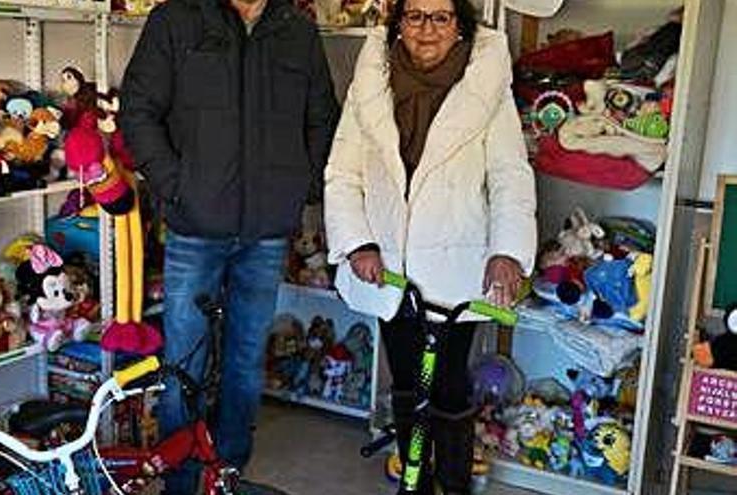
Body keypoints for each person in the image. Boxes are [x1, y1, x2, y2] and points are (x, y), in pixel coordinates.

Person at [119, 0, 338, 492]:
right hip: (194, 226)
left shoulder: (296, 30)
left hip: (266, 230)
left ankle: (229, 470)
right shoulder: (176, 19)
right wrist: (175, 184)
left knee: (243, 360)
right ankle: (181, 479)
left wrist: (299, 185)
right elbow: (138, 109)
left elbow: (322, 117)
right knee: (184, 363)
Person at [324, 0, 537, 493]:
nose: (427, 29)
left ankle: (455, 482)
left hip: (457, 264)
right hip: (388, 267)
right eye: (415, 15)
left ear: (460, 28)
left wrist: (507, 251)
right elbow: (342, 173)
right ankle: (414, 477)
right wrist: (358, 244)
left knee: (449, 385)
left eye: (441, 17)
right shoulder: (371, 84)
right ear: (399, 23)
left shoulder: (487, 88)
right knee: (404, 382)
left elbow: (509, 176)